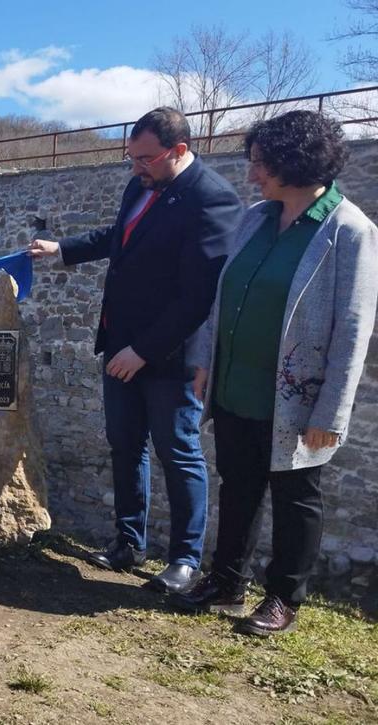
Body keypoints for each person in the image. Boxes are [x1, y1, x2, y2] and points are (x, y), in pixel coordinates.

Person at [174, 111, 378, 635]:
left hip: (297, 399)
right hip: (235, 384)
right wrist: (205, 364)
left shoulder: (350, 231)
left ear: (297, 162)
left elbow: (352, 333)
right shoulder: (255, 218)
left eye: (261, 164)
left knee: (296, 499)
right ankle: (226, 583)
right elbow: (224, 296)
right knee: (237, 486)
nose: (252, 175)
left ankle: (284, 597)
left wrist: (330, 412)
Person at [27, 107, 242, 594]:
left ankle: (184, 560)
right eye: (131, 156)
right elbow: (118, 237)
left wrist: (142, 351)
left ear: (179, 151)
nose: (134, 166)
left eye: (145, 158)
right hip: (119, 345)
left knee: (178, 452)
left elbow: (198, 299)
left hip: (169, 359)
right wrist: (62, 249)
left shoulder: (212, 201)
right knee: (125, 445)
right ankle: (128, 542)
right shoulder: (141, 185)